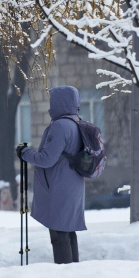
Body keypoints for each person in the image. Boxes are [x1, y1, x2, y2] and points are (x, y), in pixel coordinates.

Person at [16, 86, 85, 265]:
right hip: (72, 182)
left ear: (59, 103)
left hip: (59, 185)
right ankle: (74, 269)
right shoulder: (76, 122)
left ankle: (64, 272)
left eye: (52, 101)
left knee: (59, 233)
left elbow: (47, 159)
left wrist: (25, 153)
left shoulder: (61, 126)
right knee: (68, 230)